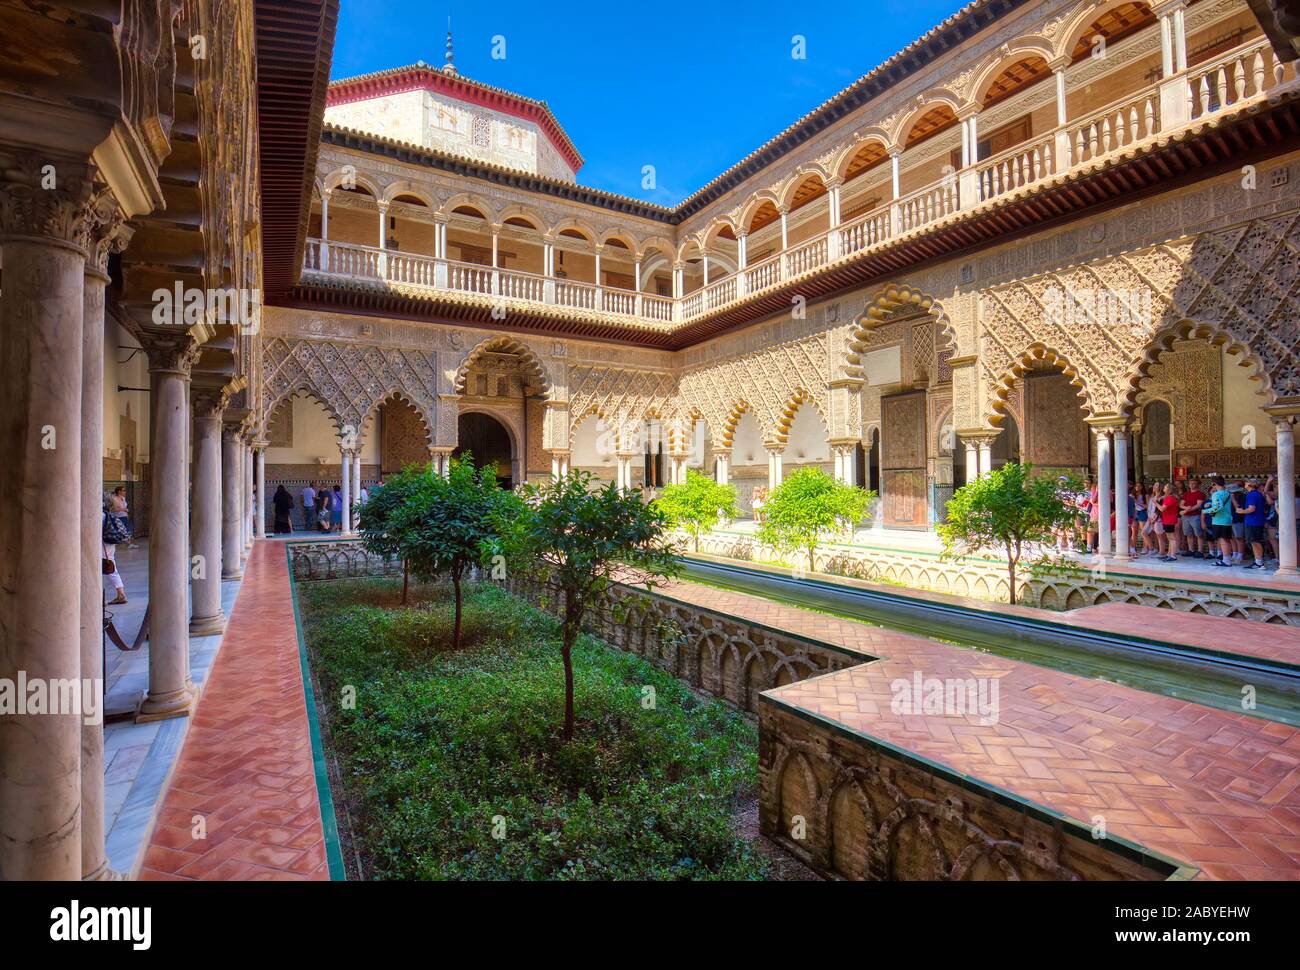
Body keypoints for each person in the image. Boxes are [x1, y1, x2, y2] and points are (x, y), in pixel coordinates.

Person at [1240, 477, 1269, 569]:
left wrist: (1241, 511)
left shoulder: (1252, 495)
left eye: (1246, 482)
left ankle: (1259, 563)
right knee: (1254, 541)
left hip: (1253, 521)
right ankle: (1258, 562)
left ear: (1250, 484)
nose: (1245, 484)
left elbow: (1251, 509)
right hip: (1256, 521)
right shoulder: (1258, 494)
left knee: (1255, 542)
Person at [103, 504, 129, 605]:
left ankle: (96, 597)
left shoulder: (99, 515)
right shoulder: (110, 515)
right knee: (111, 568)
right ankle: (121, 594)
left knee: (104, 568)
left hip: (102, 545)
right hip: (110, 544)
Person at [1208, 479, 1234, 568]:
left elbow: (1217, 507)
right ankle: (1227, 558)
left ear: (1215, 484)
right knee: (1226, 540)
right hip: (1227, 519)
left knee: (1222, 541)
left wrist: (1207, 511)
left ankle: (1226, 560)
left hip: (1219, 520)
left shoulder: (1216, 494)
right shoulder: (1228, 493)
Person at [1180, 477, 1206, 558]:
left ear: (1198, 484)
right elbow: (1181, 504)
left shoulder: (1200, 494)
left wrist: (1187, 510)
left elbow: (1198, 505)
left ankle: (1200, 551)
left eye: (1194, 483)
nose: (1192, 485)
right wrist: (1186, 509)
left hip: (1196, 516)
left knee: (1199, 534)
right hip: (1186, 517)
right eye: (1190, 483)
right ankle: (1191, 550)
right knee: (1188, 534)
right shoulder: (1186, 494)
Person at [1159, 482, 1180, 562]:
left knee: (1172, 538)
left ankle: (1173, 556)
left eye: (1165, 486)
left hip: (1169, 520)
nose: (1164, 487)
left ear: (1169, 489)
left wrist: (1155, 503)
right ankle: (1169, 554)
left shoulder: (1170, 498)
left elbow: (1162, 509)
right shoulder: (1169, 497)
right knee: (1170, 538)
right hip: (1168, 519)